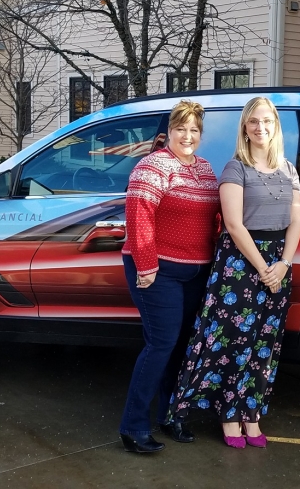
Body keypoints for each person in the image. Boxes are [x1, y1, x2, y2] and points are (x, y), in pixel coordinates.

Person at [168, 96, 300, 449]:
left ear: (276, 126)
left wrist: (283, 266)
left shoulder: (289, 169)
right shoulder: (235, 168)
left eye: (268, 121)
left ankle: (252, 415)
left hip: (278, 263)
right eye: (254, 121)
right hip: (241, 265)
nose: (261, 128)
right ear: (245, 127)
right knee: (230, 343)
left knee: (264, 345)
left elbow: (295, 222)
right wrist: (263, 268)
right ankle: (229, 415)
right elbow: (232, 223)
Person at [119, 100, 221, 454]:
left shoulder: (206, 169)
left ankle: (170, 414)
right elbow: (138, 216)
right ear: (169, 132)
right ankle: (133, 426)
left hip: (196, 271)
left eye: (194, 130)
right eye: (182, 129)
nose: (188, 136)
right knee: (160, 344)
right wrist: (146, 266)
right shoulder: (153, 166)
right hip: (157, 270)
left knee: (181, 345)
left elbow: (215, 219)